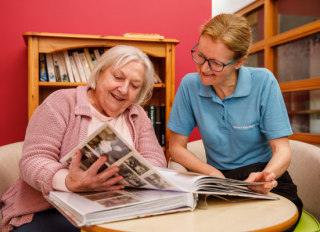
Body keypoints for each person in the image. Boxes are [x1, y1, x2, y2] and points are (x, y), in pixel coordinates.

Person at [1, 45, 167, 232]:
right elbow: (33, 160)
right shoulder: (61, 102)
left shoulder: (137, 115)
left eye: (134, 86)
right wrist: (67, 181)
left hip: (115, 209)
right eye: (118, 77)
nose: (123, 89)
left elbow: (156, 160)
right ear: (99, 73)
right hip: (48, 208)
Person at [167, 13, 303, 230]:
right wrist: (212, 174)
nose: (203, 68)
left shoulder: (263, 82)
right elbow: (175, 147)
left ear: (239, 61)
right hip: (218, 178)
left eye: (215, 63)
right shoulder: (189, 85)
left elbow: (282, 149)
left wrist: (265, 176)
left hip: (260, 175)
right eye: (200, 56)